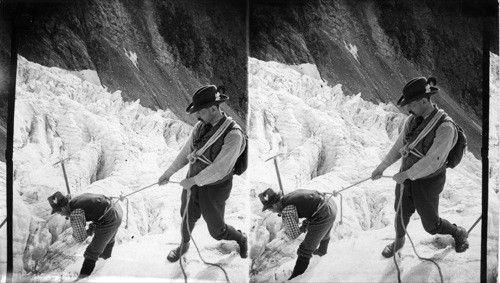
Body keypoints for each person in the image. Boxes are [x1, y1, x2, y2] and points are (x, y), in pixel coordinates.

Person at [371, 76, 469, 258]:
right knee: (400, 212)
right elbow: (400, 146)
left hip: (428, 182)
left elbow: (433, 161)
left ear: (424, 101)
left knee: (431, 225)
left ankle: (458, 232)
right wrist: (382, 167)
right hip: (406, 177)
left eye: (412, 105)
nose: (408, 109)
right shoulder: (412, 121)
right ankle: (398, 243)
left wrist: (406, 174)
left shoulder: (445, 127)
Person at [158, 85, 247, 262]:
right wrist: (169, 172)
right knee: (186, 216)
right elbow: (186, 152)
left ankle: (241, 239)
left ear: (213, 108)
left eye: (201, 112)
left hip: (215, 189)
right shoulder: (200, 126)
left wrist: (194, 181)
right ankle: (183, 247)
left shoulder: (234, 135)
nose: (197, 116)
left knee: (216, 230)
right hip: (193, 182)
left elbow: (220, 169)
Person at [259, 188, 337, 280]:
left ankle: (296, 277)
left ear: (275, 205)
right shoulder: (288, 197)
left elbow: (294, 235)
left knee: (305, 249)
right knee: (323, 231)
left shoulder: (287, 210)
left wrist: (301, 228)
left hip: (324, 212)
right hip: (329, 203)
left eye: (270, 209)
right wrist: (305, 225)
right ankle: (322, 251)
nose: (272, 212)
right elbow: (309, 208)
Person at [48, 191, 122, 279]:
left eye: (58, 212)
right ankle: (105, 259)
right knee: (108, 237)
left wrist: (86, 232)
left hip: (110, 217)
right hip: (116, 209)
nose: (60, 214)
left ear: (62, 209)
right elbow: (95, 210)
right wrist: (92, 228)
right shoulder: (76, 200)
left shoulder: (75, 213)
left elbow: (81, 237)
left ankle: (82, 278)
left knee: (91, 252)